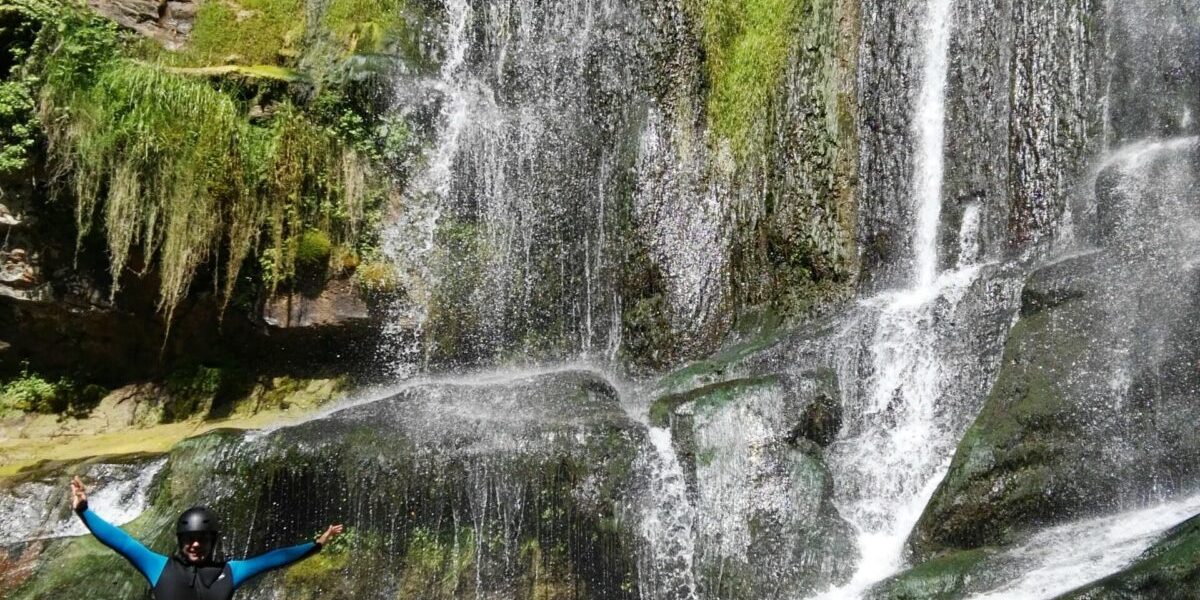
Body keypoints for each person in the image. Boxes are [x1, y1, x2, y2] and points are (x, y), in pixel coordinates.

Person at [70, 475, 343, 600]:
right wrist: (85, 511)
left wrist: (315, 545)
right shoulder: (159, 566)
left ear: (213, 542)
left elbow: (272, 560)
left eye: (202, 539)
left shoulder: (230, 571)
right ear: (181, 541)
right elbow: (122, 542)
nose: (196, 544)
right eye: (190, 539)